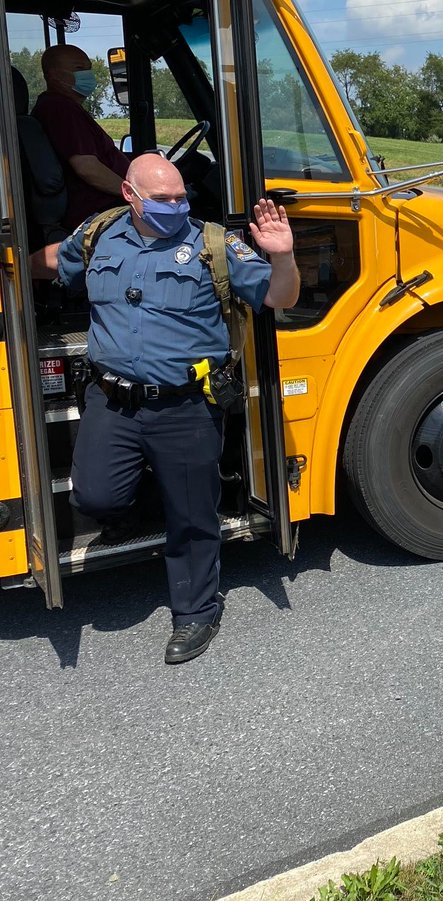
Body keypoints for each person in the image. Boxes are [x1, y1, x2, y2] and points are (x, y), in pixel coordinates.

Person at [38, 153, 299, 663]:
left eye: (180, 197)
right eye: (162, 199)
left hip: (185, 405)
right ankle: (153, 499)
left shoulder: (212, 244)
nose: (175, 206)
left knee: (193, 516)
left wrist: (283, 256)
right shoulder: (99, 234)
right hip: (113, 401)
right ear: (130, 196)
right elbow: (55, 259)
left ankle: (197, 611)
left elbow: (279, 297)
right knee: (94, 496)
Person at [32, 44, 132, 230]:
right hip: (102, 213)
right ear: (54, 75)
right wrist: (135, 193)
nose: (87, 74)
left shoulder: (57, 107)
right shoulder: (61, 109)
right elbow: (87, 168)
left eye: (88, 68)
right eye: (79, 68)